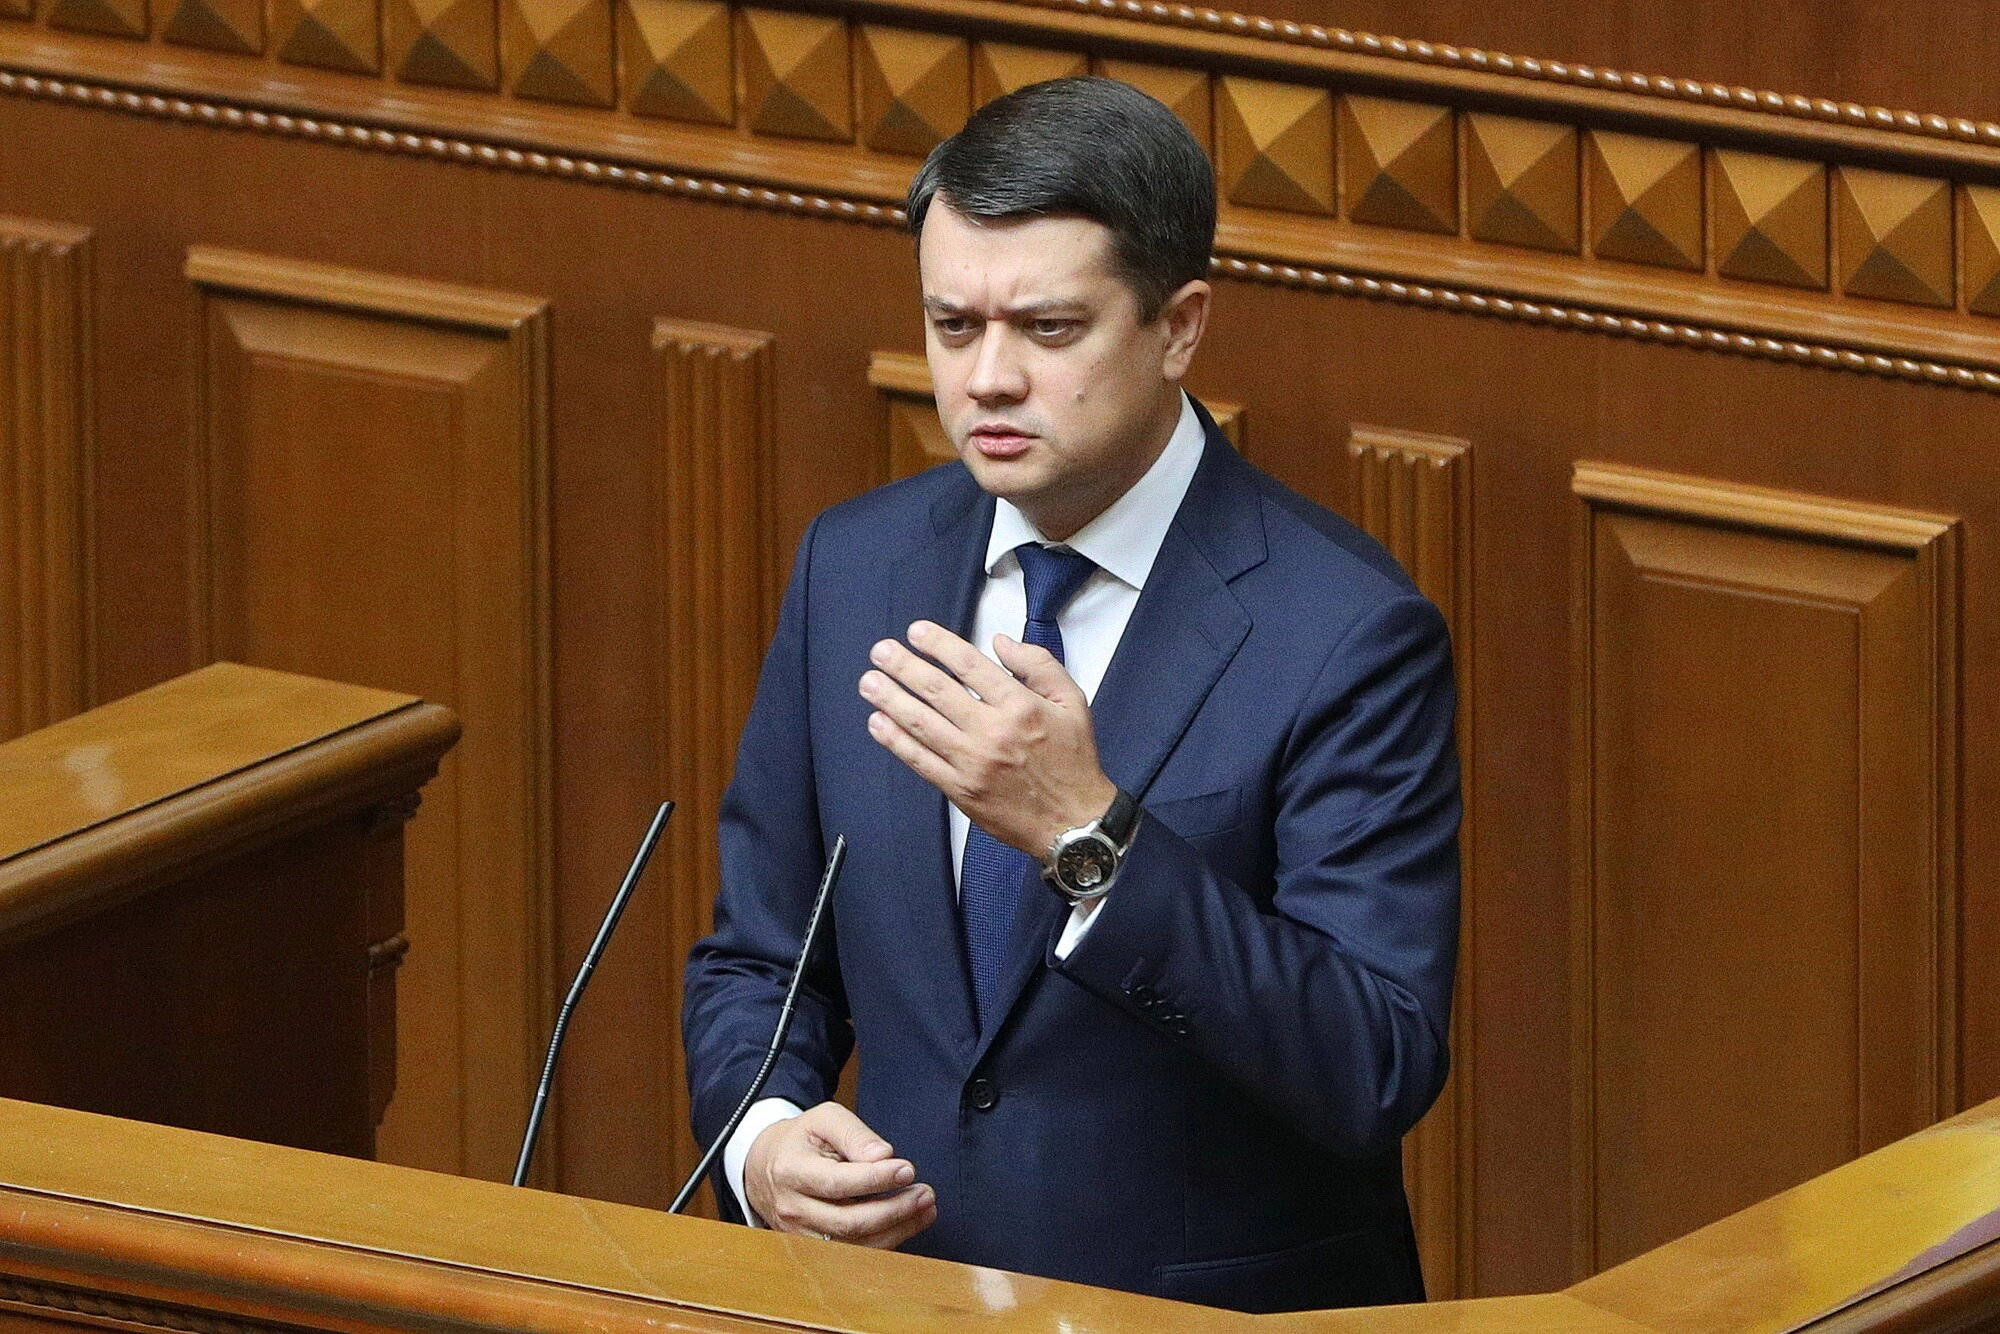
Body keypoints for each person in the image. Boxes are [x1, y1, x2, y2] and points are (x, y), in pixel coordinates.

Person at [682, 75, 1460, 1313]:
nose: (986, 379)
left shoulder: (1344, 629)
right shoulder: (855, 565)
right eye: (951, 326)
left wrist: (1086, 835)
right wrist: (764, 1134)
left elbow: (1370, 1059)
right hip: (893, 1300)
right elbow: (762, 956)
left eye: (1046, 330)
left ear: (1178, 323)